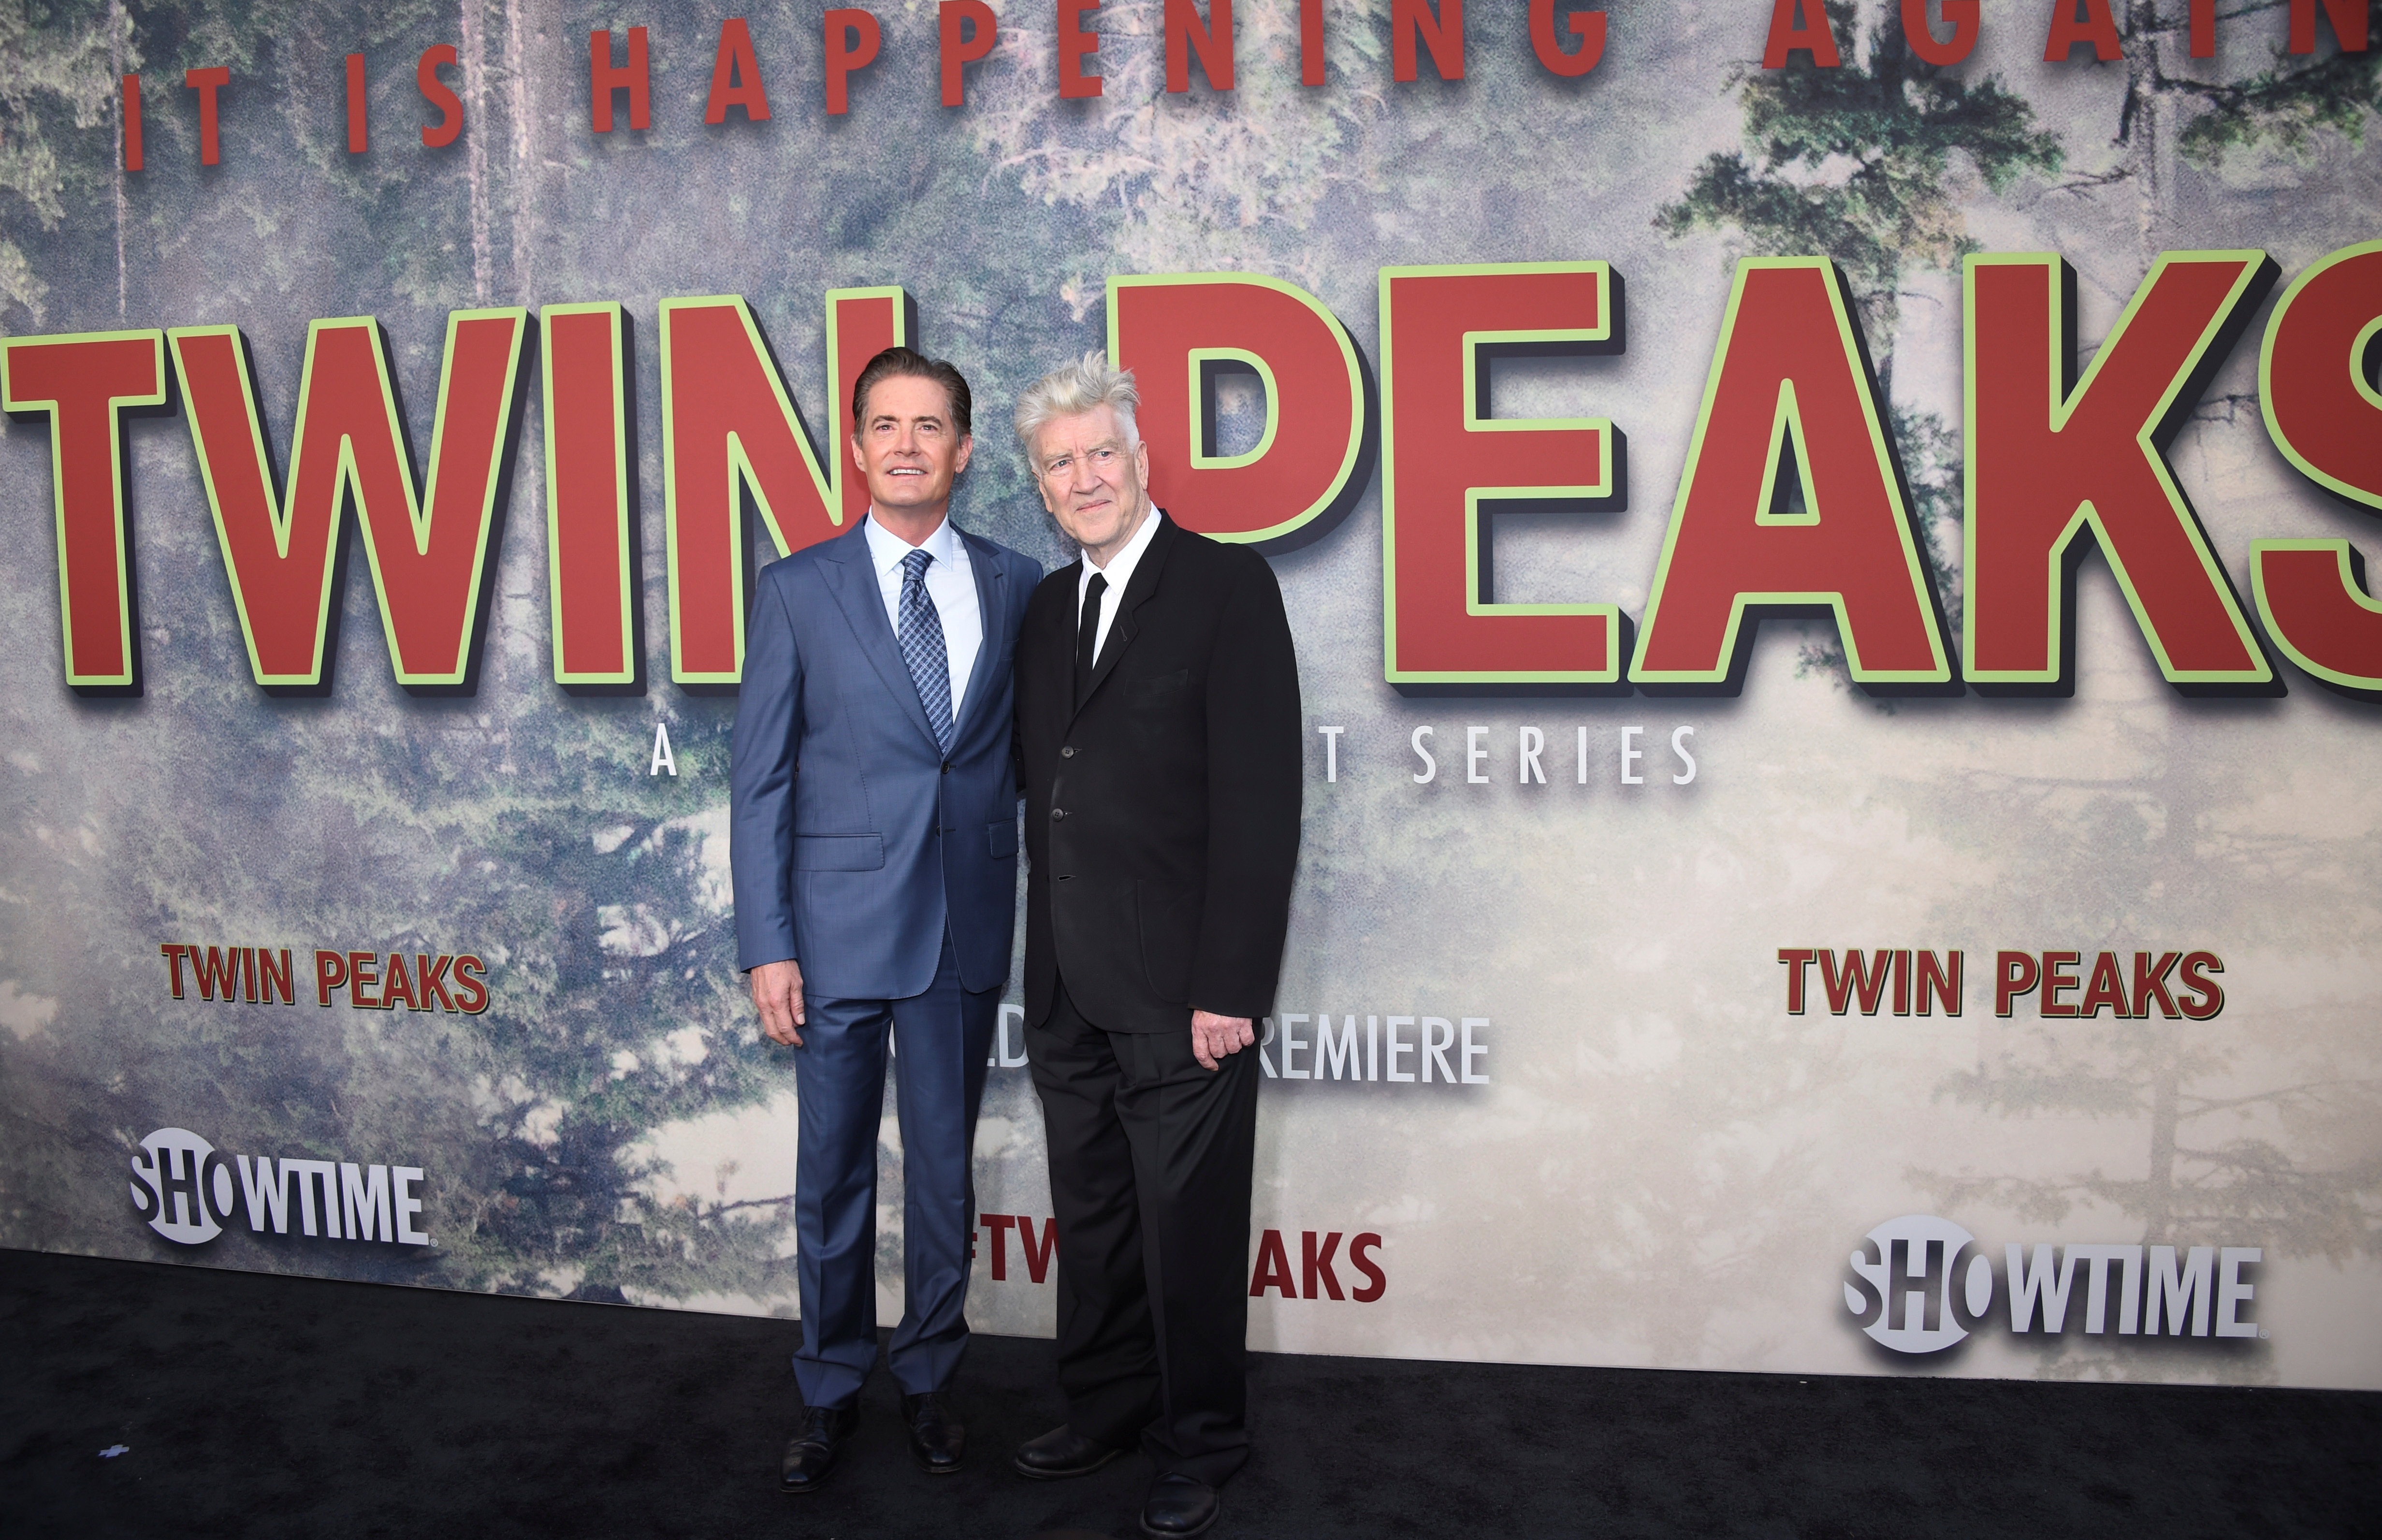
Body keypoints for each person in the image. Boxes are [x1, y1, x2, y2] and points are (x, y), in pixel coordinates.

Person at [728, 346, 1040, 1494]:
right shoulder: (796, 589)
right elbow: (759, 781)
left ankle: (930, 1379)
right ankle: (827, 1387)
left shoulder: (1017, 584)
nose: (907, 445)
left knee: (946, 1178)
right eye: (885, 425)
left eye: (930, 426)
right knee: (833, 1175)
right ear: (855, 448)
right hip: (835, 933)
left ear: (964, 451)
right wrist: (767, 942)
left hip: (962, 923)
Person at [1007, 353, 1303, 1539]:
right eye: (1058, 463)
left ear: (1143, 459)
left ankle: (1202, 1440)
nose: (1084, 478)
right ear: (1039, 485)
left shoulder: (1228, 588)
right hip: (1070, 980)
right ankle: (1109, 1405)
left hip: (1186, 989)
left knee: (1187, 1224)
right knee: (1093, 1214)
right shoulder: (1043, 608)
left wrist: (1230, 983)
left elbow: (1261, 801)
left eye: (1100, 454)